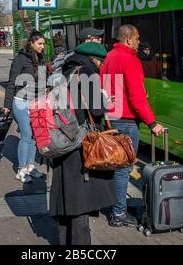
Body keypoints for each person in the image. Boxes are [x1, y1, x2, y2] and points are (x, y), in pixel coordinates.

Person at [50, 42, 117, 245]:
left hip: (64, 141)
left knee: (66, 200)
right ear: (94, 59)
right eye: (100, 62)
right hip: (80, 144)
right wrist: (105, 99)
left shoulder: (64, 70)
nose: (101, 65)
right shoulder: (87, 71)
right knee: (80, 201)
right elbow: (96, 110)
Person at [101, 25, 164, 227]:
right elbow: (136, 97)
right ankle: (118, 213)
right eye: (137, 38)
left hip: (111, 119)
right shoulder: (130, 60)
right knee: (123, 169)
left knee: (115, 168)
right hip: (126, 123)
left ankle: (116, 206)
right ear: (128, 40)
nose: (139, 41)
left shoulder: (109, 57)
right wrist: (152, 122)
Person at [3, 30, 47, 183]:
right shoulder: (20, 60)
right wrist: (7, 105)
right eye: (40, 44)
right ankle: (21, 170)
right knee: (27, 135)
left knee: (35, 135)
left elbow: (42, 84)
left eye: (43, 44)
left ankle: (30, 166)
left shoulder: (41, 60)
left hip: (36, 102)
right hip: (20, 101)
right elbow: (11, 83)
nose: (43, 47)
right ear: (31, 43)